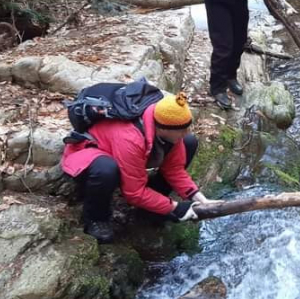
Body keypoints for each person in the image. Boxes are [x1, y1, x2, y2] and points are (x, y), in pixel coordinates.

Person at [61, 92, 207, 243]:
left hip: (126, 155)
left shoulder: (168, 128)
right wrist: (176, 208)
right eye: (182, 130)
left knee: (189, 142)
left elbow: (174, 169)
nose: (185, 133)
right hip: (89, 154)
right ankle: (96, 219)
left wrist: (201, 200)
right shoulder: (130, 137)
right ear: (163, 129)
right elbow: (134, 193)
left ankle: (151, 208)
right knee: (106, 170)